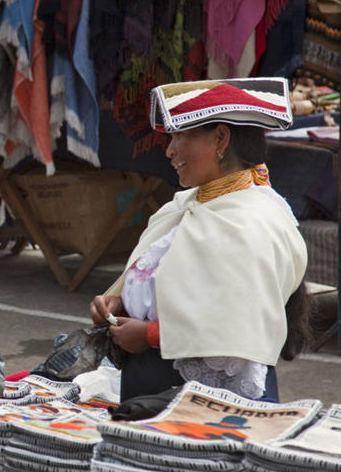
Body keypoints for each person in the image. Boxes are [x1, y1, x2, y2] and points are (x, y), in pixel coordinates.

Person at [90, 77, 310, 403]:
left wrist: (149, 335)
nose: (170, 150)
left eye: (180, 135)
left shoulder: (252, 223)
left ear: (220, 139)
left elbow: (238, 327)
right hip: (151, 385)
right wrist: (118, 299)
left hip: (209, 401)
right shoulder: (186, 207)